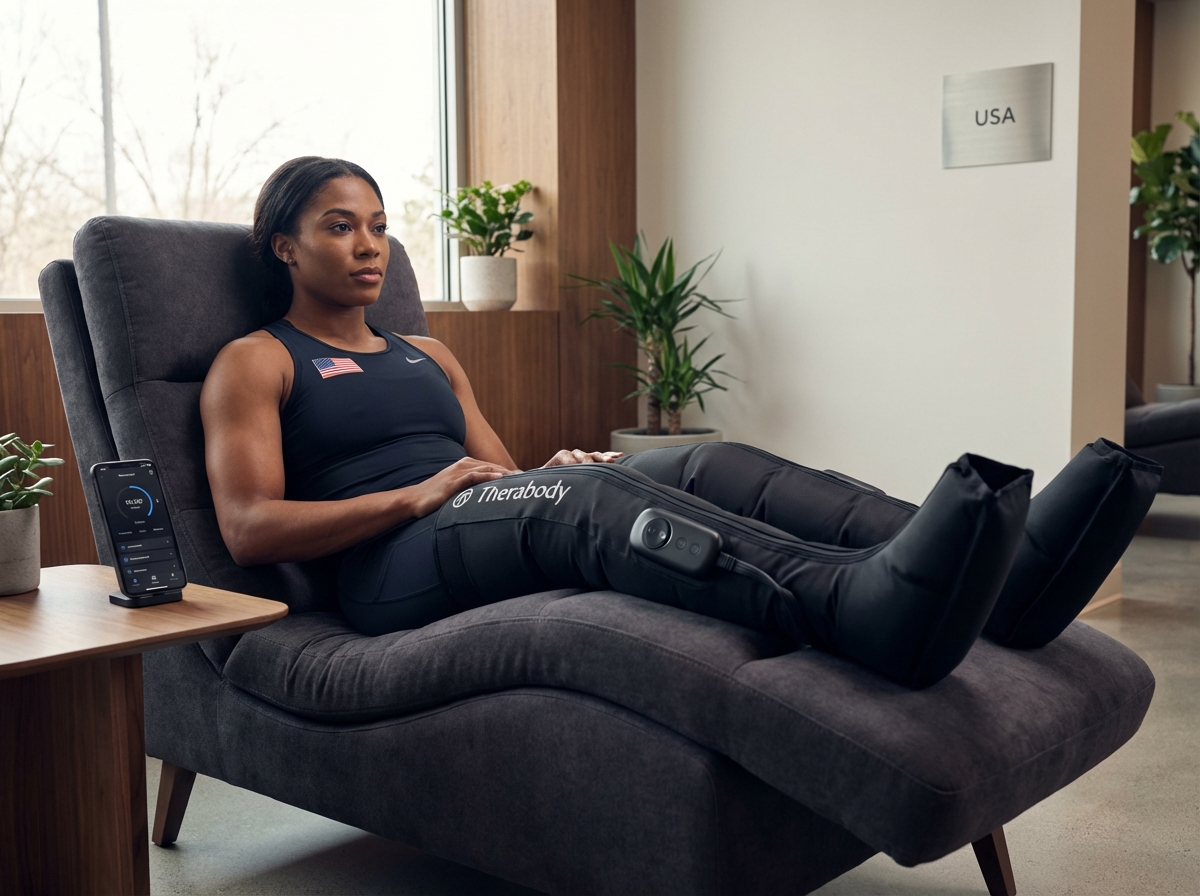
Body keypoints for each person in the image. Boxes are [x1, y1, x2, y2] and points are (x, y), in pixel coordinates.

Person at [200, 157, 1162, 690]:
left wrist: (557, 467)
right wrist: (419, 494)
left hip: (475, 526)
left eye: (376, 222)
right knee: (581, 506)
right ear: (285, 245)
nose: (368, 242)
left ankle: (1011, 576)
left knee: (706, 462)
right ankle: (852, 608)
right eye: (338, 225)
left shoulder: (426, 352)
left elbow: (504, 478)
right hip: (383, 575)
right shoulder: (258, 359)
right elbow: (249, 529)